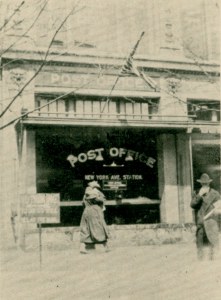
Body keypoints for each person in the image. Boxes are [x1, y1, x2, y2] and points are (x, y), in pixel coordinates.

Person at [190, 173, 220, 261]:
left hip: (211, 225)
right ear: (200, 184)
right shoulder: (196, 193)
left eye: (206, 183)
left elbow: (219, 208)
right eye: (203, 184)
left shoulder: (215, 194)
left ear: (209, 183)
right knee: (200, 250)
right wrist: (199, 195)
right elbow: (192, 205)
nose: (204, 185)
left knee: (212, 250)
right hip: (201, 226)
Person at [79, 181, 110, 254]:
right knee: (99, 227)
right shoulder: (95, 192)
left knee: (86, 229)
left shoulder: (85, 194)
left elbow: (83, 203)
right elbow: (101, 200)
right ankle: (105, 246)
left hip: (86, 211)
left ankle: (82, 247)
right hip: (95, 211)